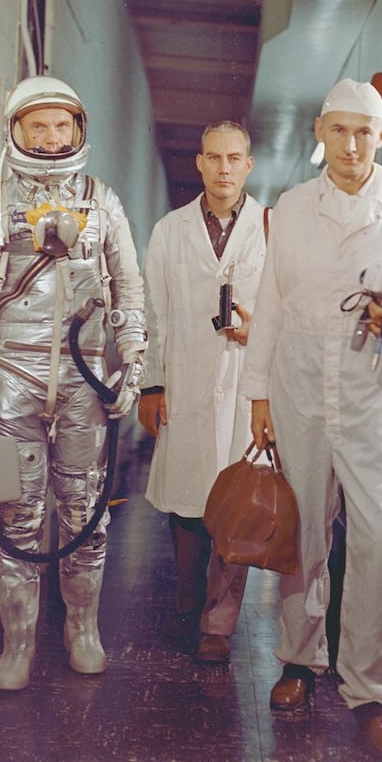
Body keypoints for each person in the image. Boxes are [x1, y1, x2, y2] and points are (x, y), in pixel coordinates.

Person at [240, 78, 382, 756]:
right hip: (300, 390)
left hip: (374, 395)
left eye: (364, 131)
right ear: (319, 132)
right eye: (339, 130)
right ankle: (299, 664)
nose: (351, 144)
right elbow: (271, 305)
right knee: (301, 534)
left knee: (375, 544)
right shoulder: (293, 209)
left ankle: (373, 692)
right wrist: (258, 397)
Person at [0, 75, 146, 691]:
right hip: (11, 373)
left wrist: (133, 356)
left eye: (62, 125)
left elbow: (128, 284)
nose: (51, 137)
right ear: (18, 132)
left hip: (84, 374)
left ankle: (82, 630)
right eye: (39, 126)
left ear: (78, 131)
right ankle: (18, 644)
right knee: (16, 514)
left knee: (85, 510)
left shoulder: (101, 200)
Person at [138, 121, 268, 664]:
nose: (224, 169)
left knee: (236, 505)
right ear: (199, 163)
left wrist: (253, 327)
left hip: (246, 382)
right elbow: (154, 312)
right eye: (214, 158)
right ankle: (190, 597)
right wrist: (152, 383)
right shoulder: (170, 231)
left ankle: (219, 622)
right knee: (188, 502)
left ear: (248, 164)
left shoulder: (270, 227)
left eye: (234, 158)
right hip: (187, 381)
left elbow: (288, 310)